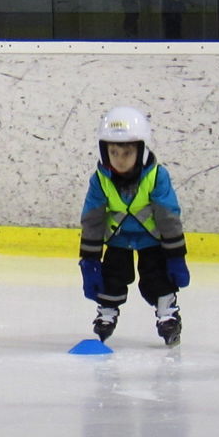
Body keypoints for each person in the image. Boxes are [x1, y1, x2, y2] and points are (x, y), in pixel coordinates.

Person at [78, 106, 189, 346]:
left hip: (152, 240)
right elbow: (92, 220)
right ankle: (107, 312)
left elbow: (169, 217)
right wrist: (89, 261)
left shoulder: (157, 176)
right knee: (112, 277)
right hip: (118, 239)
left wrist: (176, 256)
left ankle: (167, 313)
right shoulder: (100, 179)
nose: (119, 159)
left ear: (141, 150)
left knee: (156, 277)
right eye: (113, 152)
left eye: (126, 152)